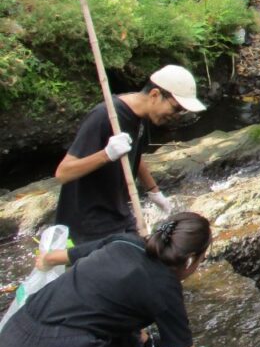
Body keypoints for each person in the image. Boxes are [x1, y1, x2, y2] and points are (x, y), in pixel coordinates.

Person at [0, 213, 215, 347]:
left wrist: (45, 261)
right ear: (191, 260)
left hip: (9, 343)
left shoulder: (124, 241)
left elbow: (65, 256)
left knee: (131, 334)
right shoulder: (167, 288)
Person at [54, 65, 206, 244]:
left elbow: (135, 154)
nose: (177, 115)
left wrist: (155, 192)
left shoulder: (142, 115)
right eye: (176, 108)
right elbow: (63, 173)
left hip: (117, 211)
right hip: (90, 222)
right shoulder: (104, 116)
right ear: (155, 94)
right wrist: (106, 154)